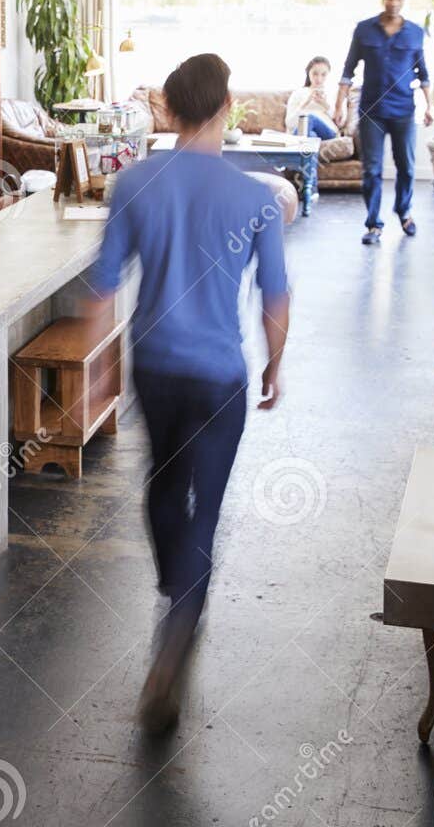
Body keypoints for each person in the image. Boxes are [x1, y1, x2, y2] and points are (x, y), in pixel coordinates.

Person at [85, 53, 291, 734]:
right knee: (207, 508)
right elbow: (275, 297)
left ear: (167, 109)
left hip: (158, 368)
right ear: (227, 106)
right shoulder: (256, 195)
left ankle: (177, 592)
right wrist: (274, 364)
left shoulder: (135, 182)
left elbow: (103, 286)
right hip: (220, 375)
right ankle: (178, 627)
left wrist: (100, 374)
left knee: (163, 486)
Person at [333, 0, 434, 245]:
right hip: (371, 112)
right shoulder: (364, 29)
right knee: (372, 170)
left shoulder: (414, 33)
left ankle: (404, 213)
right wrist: (339, 105)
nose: (394, 2)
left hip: (403, 111)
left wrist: (430, 106)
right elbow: (348, 69)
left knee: (407, 168)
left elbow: (423, 74)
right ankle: (373, 224)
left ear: (404, 0)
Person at [285, 56, 338, 142]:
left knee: (310, 118)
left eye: (323, 74)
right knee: (311, 135)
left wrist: (325, 105)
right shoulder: (298, 93)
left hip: (328, 132)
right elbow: (289, 123)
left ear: (328, 74)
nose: (319, 79)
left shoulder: (333, 93)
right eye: (315, 74)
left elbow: (341, 122)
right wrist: (305, 103)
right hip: (303, 133)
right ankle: (306, 152)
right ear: (308, 73)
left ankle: (293, 151)